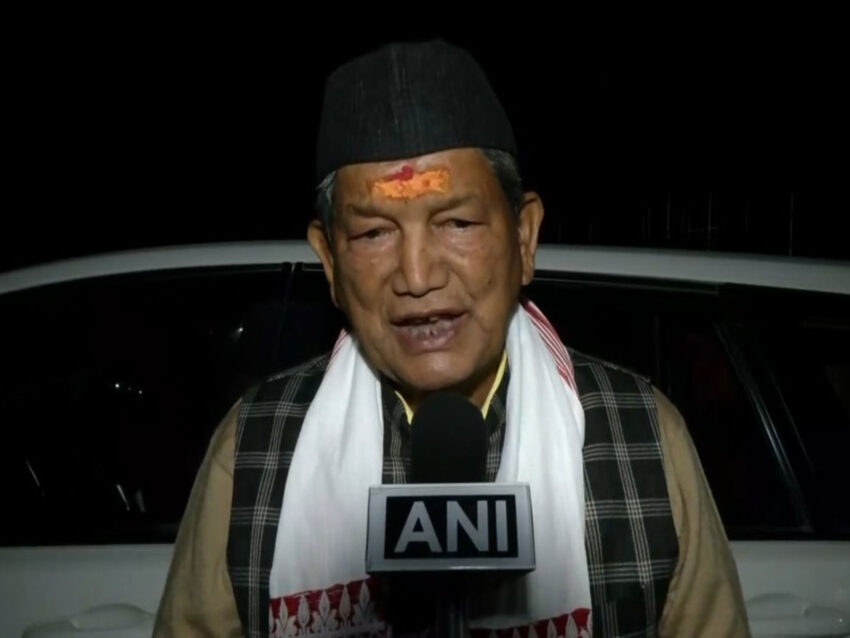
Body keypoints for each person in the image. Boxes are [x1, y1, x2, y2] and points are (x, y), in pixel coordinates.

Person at [154, 40, 750, 637]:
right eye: (373, 234)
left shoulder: (639, 435)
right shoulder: (255, 448)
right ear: (329, 260)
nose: (418, 276)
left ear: (524, 237)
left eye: (457, 223)